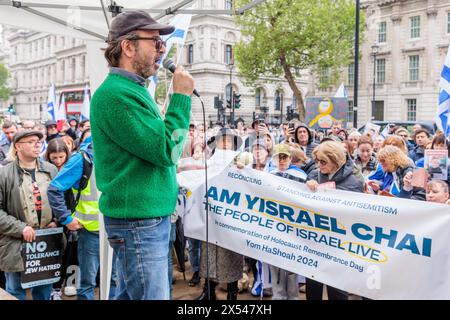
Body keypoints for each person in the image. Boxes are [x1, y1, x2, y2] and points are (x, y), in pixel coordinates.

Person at [90, 10, 194, 300]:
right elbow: (166, 150)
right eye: (155, 42)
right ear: (127, 46)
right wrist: (181, 98)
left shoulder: (131, 90)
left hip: (145, 219)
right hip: (139, 222)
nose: (162, 49)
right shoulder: (116, 95)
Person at [0, 130, 59, 300]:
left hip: (47, 242)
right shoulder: (5, 173)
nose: (37, 144)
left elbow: (62, 199)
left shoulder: (50, 170)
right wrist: (21, 227)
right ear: (18, 146)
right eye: (31, 141)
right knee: (15, 289)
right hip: (15, 243)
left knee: (43, 289)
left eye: (39, 141)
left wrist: (56, 220)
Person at [305, 140, 364, 300]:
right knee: (313, 283)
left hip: (339, 243)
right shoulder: (314, 175)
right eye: (316, 161)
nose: (319, 165)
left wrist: (322, 192)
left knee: (337, 288)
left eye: (323, 161)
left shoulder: (353, 182)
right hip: (316, 239)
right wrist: (306, 186)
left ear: (336, 160)